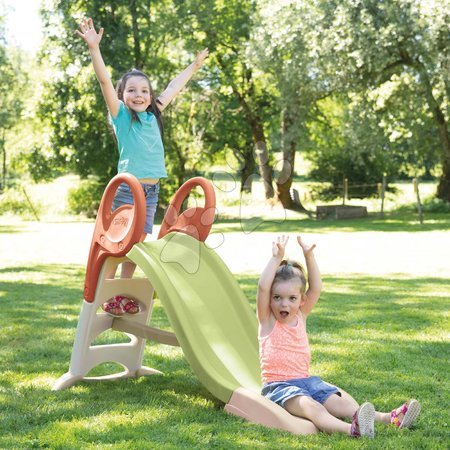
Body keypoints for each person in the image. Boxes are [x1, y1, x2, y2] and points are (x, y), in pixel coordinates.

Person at [76, 18, 209, 317]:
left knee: (137, 246)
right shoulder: (122, 117)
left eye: (145, 91)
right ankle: (104, 291)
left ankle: (119, 297)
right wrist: (94, 50)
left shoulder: (153, 115)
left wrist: (194, 67)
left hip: (151, 191)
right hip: (127, 191)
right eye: (132, 90)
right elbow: (104, 82)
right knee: (119, 245)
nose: (139, 95)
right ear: (122, 96)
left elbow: (174, 86)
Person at [257, 235, 421, 438]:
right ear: (270, 300)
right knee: (312, 407)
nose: (284, 304)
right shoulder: (267, 320)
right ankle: (352, 430)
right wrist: (276, 258)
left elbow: (316, 288)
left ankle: (389, 418)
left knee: (340, 402)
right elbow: (263, 287)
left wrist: (309, 256)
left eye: (292, 298)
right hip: (279, 386)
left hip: (307, 381)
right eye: (277, 298)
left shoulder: (300, 315)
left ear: (302, 300)